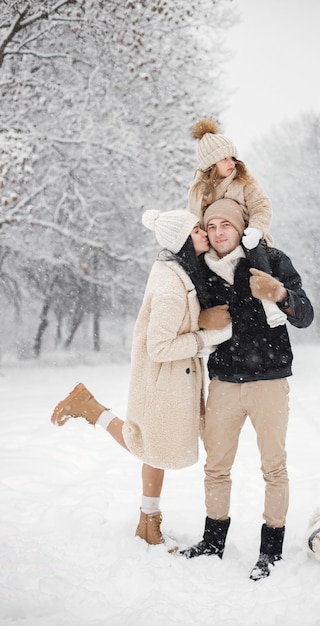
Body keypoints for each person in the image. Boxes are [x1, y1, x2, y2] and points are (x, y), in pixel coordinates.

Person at [50, 209, 232, 550]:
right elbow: (160, 346)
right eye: (196, 230)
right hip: (163, 379)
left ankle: (147, 522)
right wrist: (208, 337)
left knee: (151, 447)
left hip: (169, 379)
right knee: (149, 446)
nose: (204, 233)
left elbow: (178, 325)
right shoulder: (169, 284)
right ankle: (90, 409)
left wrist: (202, 321)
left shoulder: (178, 272)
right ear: (180, 241)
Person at [178, 198, 314, 580]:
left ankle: (271, 551)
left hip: (269, 382)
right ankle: (213, 542)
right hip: (223, 381)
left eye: (227, 225)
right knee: (216, 467)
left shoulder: (270, 260)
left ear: (241, 228)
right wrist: (200, 317)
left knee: (274, 467)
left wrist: (280, 294)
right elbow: (184, 316)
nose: (219, 232)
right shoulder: (198, 268)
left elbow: (305, 314)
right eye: (213, 226)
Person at [188, 117, 286, 329]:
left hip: (248, 237)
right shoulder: (199, 191)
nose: (231, 162)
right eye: (224, 159)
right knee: (197, 268)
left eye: (232, 157)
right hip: (217, 243)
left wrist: (256, 228)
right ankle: (202, 317)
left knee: (255, 250)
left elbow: (261, 204)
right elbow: (194, 219)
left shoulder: (243, 180)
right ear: (211, 164)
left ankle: (269, 303)